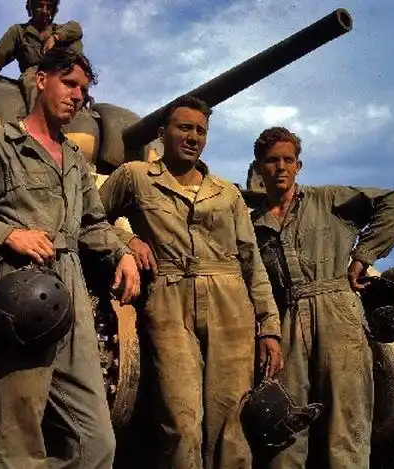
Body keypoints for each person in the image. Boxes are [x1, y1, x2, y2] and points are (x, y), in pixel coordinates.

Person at [0, 45, 140, 469]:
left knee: (97, 444)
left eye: (83, 90)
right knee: (9, 447)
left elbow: (92, 223)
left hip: (71, 296)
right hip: (17, 291)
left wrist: (123, 252)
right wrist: (7, 235)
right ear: (41, 80)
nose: (77, 96)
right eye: (69, 83)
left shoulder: (75, 160)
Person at [98, 95, 283, 469]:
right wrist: (126, 239)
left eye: (201, 130)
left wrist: (269, 328)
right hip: (170, 300)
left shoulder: (226, 192)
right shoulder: (135, 176)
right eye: (184, 127)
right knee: (180, 424)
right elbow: (90, 218)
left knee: (232, 426)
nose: (193, 137)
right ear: (162, 132)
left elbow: (252, 262)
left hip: (231, 304)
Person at [250, 126, 394, 468]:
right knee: (285, 425)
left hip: (337, 309)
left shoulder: (329, 200)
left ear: (299, 166)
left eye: (288, 160)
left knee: (347, 420)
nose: (281, 167)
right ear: (259, 166)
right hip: (287, 316)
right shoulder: (254, 224)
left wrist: (364, 255)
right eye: (272, 160)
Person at [0, 0, 84, 111]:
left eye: (49, 7)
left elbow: (76, 28)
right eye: (40, 6)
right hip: (34, 73)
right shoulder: (19, 32)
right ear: (31, 7)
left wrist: (55, 37)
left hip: (60, 71)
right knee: (28, 82)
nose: (44, 11)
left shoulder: (58, 29)